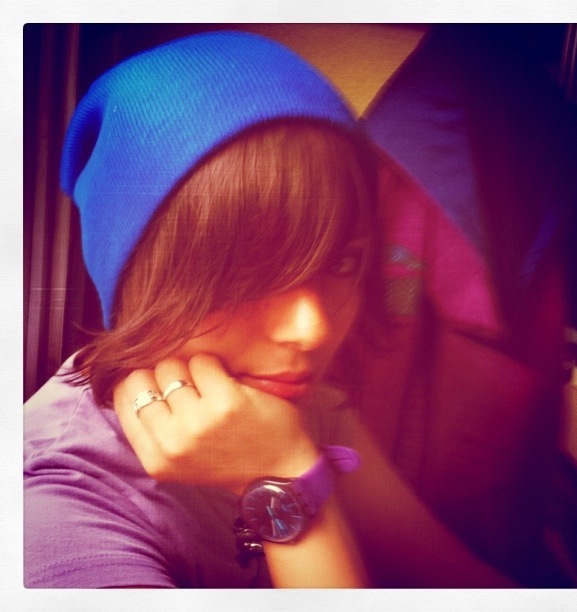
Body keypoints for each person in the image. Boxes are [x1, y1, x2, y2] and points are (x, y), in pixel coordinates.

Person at [24, 31, 516, 588]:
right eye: (246, 272)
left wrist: (285, 460)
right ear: (135, 277)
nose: (312, 330)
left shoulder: (305, 409)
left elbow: (460, 582)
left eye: (343, 264)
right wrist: (287, 484)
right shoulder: (56, 508)